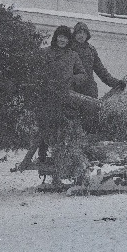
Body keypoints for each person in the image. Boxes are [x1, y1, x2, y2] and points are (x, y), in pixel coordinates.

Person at [37, 25, 88, 167]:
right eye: (60, 37)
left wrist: (73, 79)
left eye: (65, 37)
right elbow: (36, 71)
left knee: (64, 130)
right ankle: (42, 155)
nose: (62, 40)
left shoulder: (73, 55)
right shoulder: (45, 53)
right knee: (45, 127)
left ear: (68, 39)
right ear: (55, 37)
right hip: (47, 97)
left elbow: (83, 74)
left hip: (66, 98)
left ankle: (62, 159)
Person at [70, 22, 126, 98]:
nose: (82, 35)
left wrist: (116, 83)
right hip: (73, 91)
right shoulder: (69, 49)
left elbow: (101, 71)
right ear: (75, 34)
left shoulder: (91, 50)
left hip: (89, 91)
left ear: (87, 35)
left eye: (84, 33)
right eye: (79, 33)